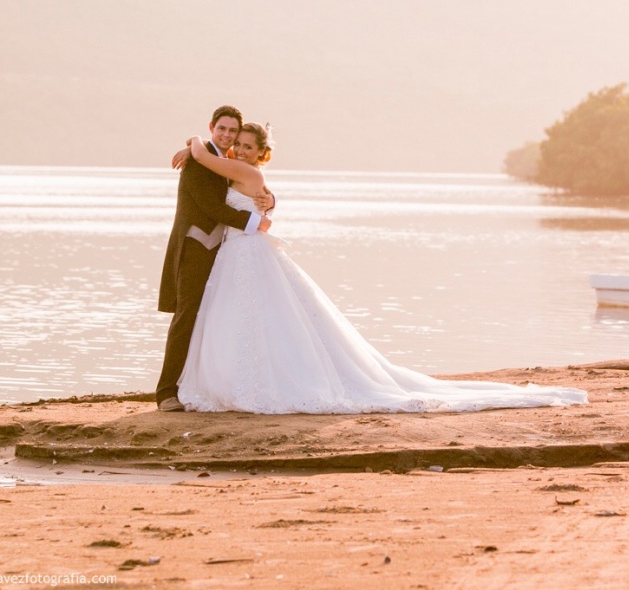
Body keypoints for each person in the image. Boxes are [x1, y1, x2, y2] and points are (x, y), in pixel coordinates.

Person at [174, 123, 589, 414]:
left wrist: (194, 141)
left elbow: (205, 160)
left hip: (247, 252)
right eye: (237, 143)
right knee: (254, 318)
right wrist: (269, 200)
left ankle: (255, 382)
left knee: (254, 316)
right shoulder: (250, 175)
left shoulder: (242, 169)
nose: (240, 149)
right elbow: (239, 188)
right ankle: (244, 378)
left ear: (258, 153)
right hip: (239, 252)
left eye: (247, 145)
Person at [155, 106, 274, 412]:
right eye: (222, 129)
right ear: (211, 127)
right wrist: (254, 223)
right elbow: (211, 207)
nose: (228, 136)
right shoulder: (198, 160)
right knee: (186, 317)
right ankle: (166, 392)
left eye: (233, 131)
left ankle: (193, 384)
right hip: (194, 249)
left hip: (220, 252)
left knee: (211, 318)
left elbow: (253, 185)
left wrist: (271, 201)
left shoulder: (227, 158)